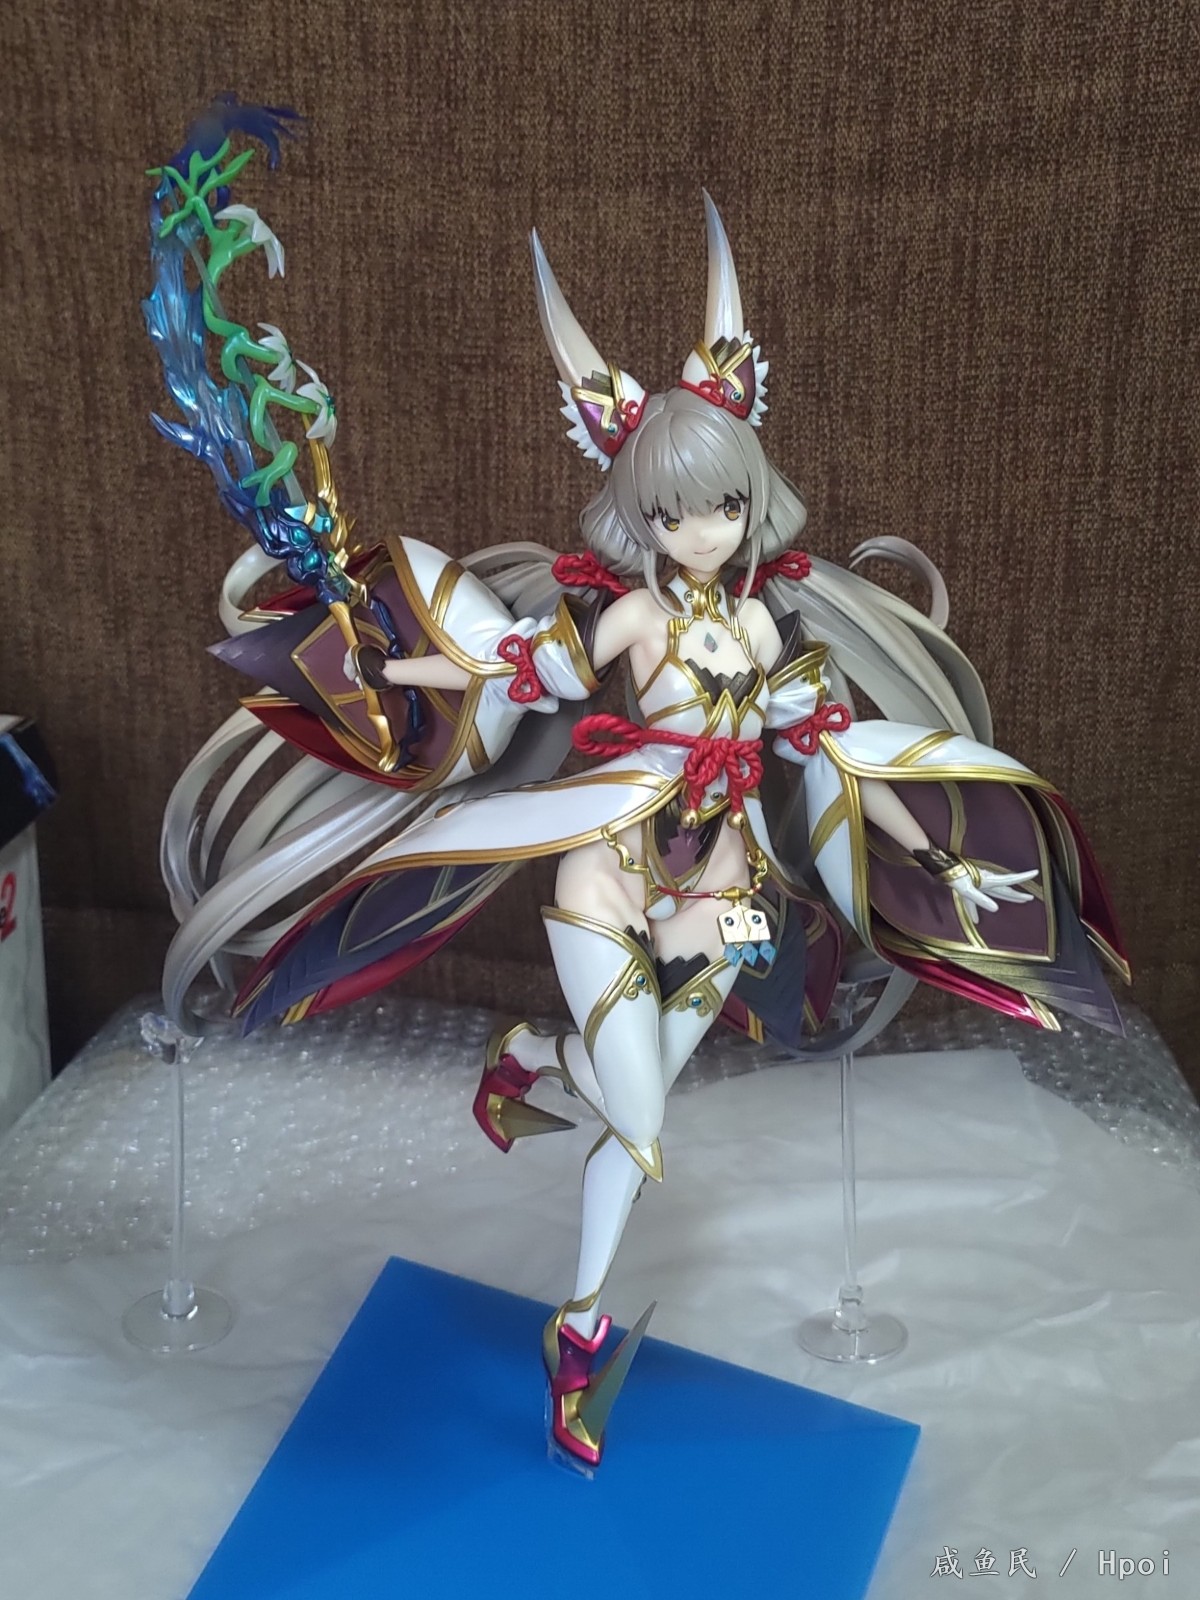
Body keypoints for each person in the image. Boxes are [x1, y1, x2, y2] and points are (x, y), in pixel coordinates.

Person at [147, 114, 1128, 1469]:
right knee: (649, 1119)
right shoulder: (626, 620)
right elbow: (508, 668)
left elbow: (830, 750)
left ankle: (529, 1066)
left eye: (717, 506)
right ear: (637, 516)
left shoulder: (770, 626)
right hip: (608, 871)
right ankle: (582, 1335)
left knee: (638, 1090)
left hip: (726, 892)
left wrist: (941, 861)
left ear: (750, 500)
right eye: (670, 513)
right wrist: (381, 653)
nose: (698, 532)